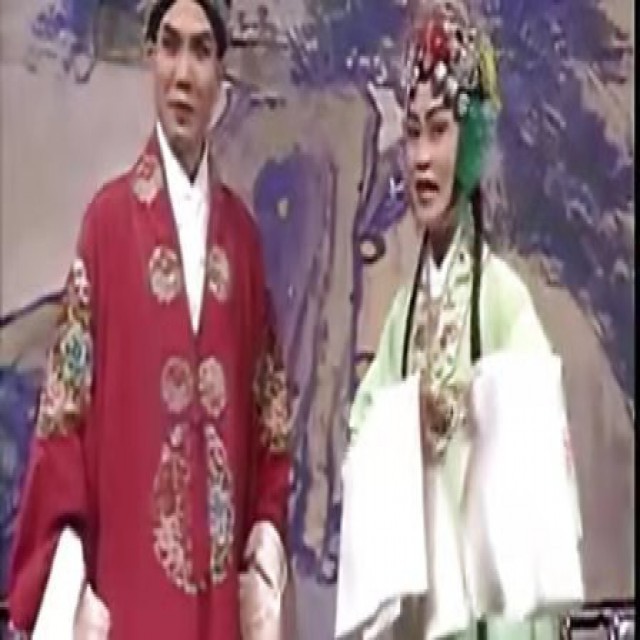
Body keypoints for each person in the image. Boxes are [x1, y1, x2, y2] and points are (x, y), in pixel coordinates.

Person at [8, 1, 292, 638]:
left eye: (201, 51)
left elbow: (269, 420)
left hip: (220, 604)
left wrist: (266, 531)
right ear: (149, 57)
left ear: (221, 71)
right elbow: (64, 416)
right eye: (170, 46)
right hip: (128, 591)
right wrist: (67, 568)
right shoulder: (106, 227)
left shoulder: (243, 243)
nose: (183, 74)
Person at [347, 1, 577, 638]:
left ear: (472, 140)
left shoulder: (502, 302)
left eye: (440, 131)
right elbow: (362, 434)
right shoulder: (404, 314)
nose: (421, 157)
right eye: (412, 133)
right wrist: (403, 429)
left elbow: (538, 496)